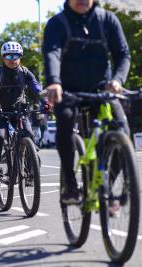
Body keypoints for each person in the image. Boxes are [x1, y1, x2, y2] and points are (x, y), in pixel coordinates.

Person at [43, 0, 131, 204]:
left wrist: (117, 80)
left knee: (123, 133)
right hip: (68, 90)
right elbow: (52, 54)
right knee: (64, 123)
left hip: (102, 90)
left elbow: (122, 54)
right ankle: (71, 186)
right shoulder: (58, 23)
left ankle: (104, 184)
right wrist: (54, 82)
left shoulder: (107, 20)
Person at [0, 41, 42, 185]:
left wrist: (45, 101)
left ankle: (31, 169)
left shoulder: (25, 72)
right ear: (3, 57)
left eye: (15, 55)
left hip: (19, 111)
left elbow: (36, 88)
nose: (12, 59)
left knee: (29, 135)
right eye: (8, 56)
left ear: (20, 56)